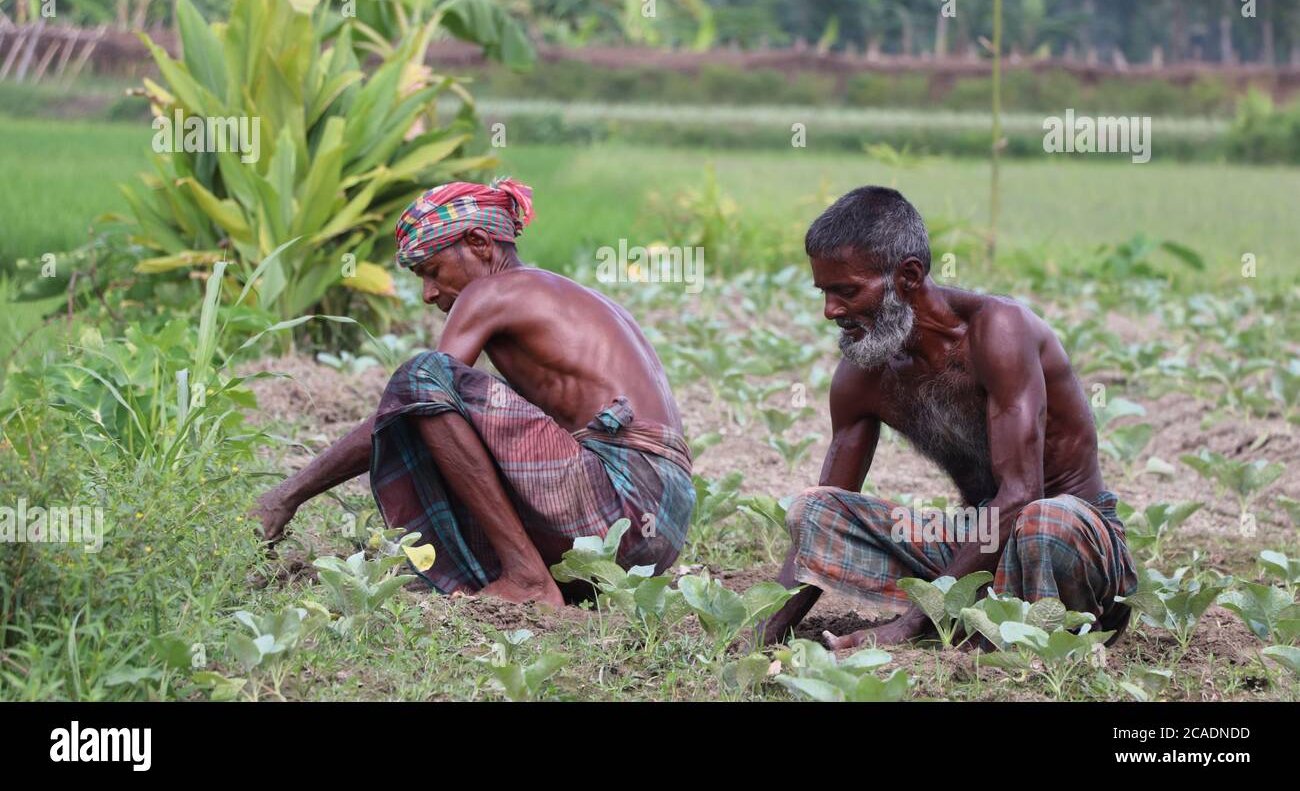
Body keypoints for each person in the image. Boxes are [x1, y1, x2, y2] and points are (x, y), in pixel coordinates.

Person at [253, 178, 694, 607]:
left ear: (480, 244)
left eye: (432, 271)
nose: (428, 293)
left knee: (423, 377)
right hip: (657, 532)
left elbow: (418, 397)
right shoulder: (558, 292)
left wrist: (288, 494)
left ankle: (527, 578)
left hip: (626, 505)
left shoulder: (489, 291)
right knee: (455, 402)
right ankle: (532, 572)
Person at [760, 186, 1137, 649]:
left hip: (1074, 544)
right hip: (979, 545)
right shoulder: (864, 373)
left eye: (846, 291)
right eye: (824, 292)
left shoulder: (998, 331)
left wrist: (909, 623)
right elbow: (825, 517)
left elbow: (1021, 494)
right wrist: (761, 632)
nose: (830, 311)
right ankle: (977, 620)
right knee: (814, 509)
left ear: (909, 276)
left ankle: (1002, 631)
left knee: (1044, 522)